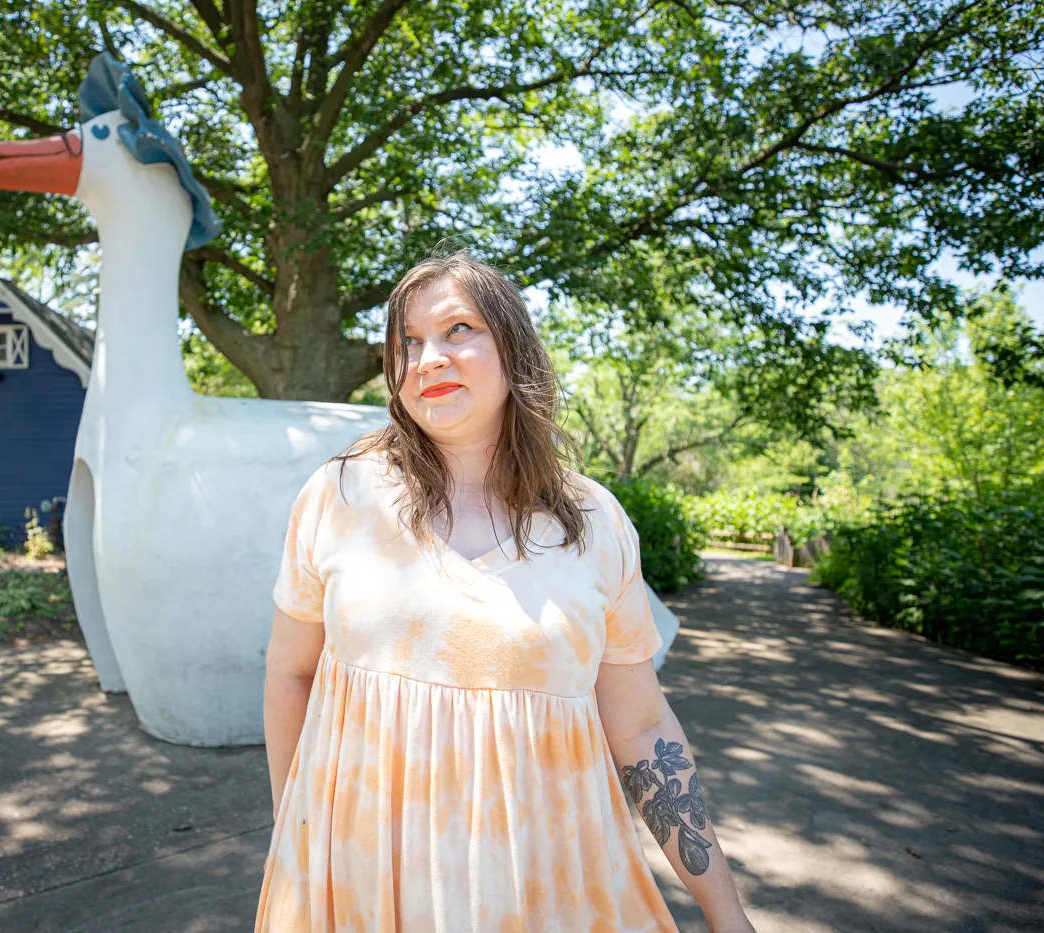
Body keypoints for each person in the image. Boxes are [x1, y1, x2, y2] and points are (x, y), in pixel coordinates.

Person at [254, 252, 757, 933]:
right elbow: (291, 672)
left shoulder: (595, 524)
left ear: (513, 346)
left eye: (458, 328)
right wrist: (295, 840)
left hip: (547, 893)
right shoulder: (338, 495)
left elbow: (640, 727)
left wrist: (728, 916)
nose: (428, 357)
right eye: (407, 342)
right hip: (359, 891)